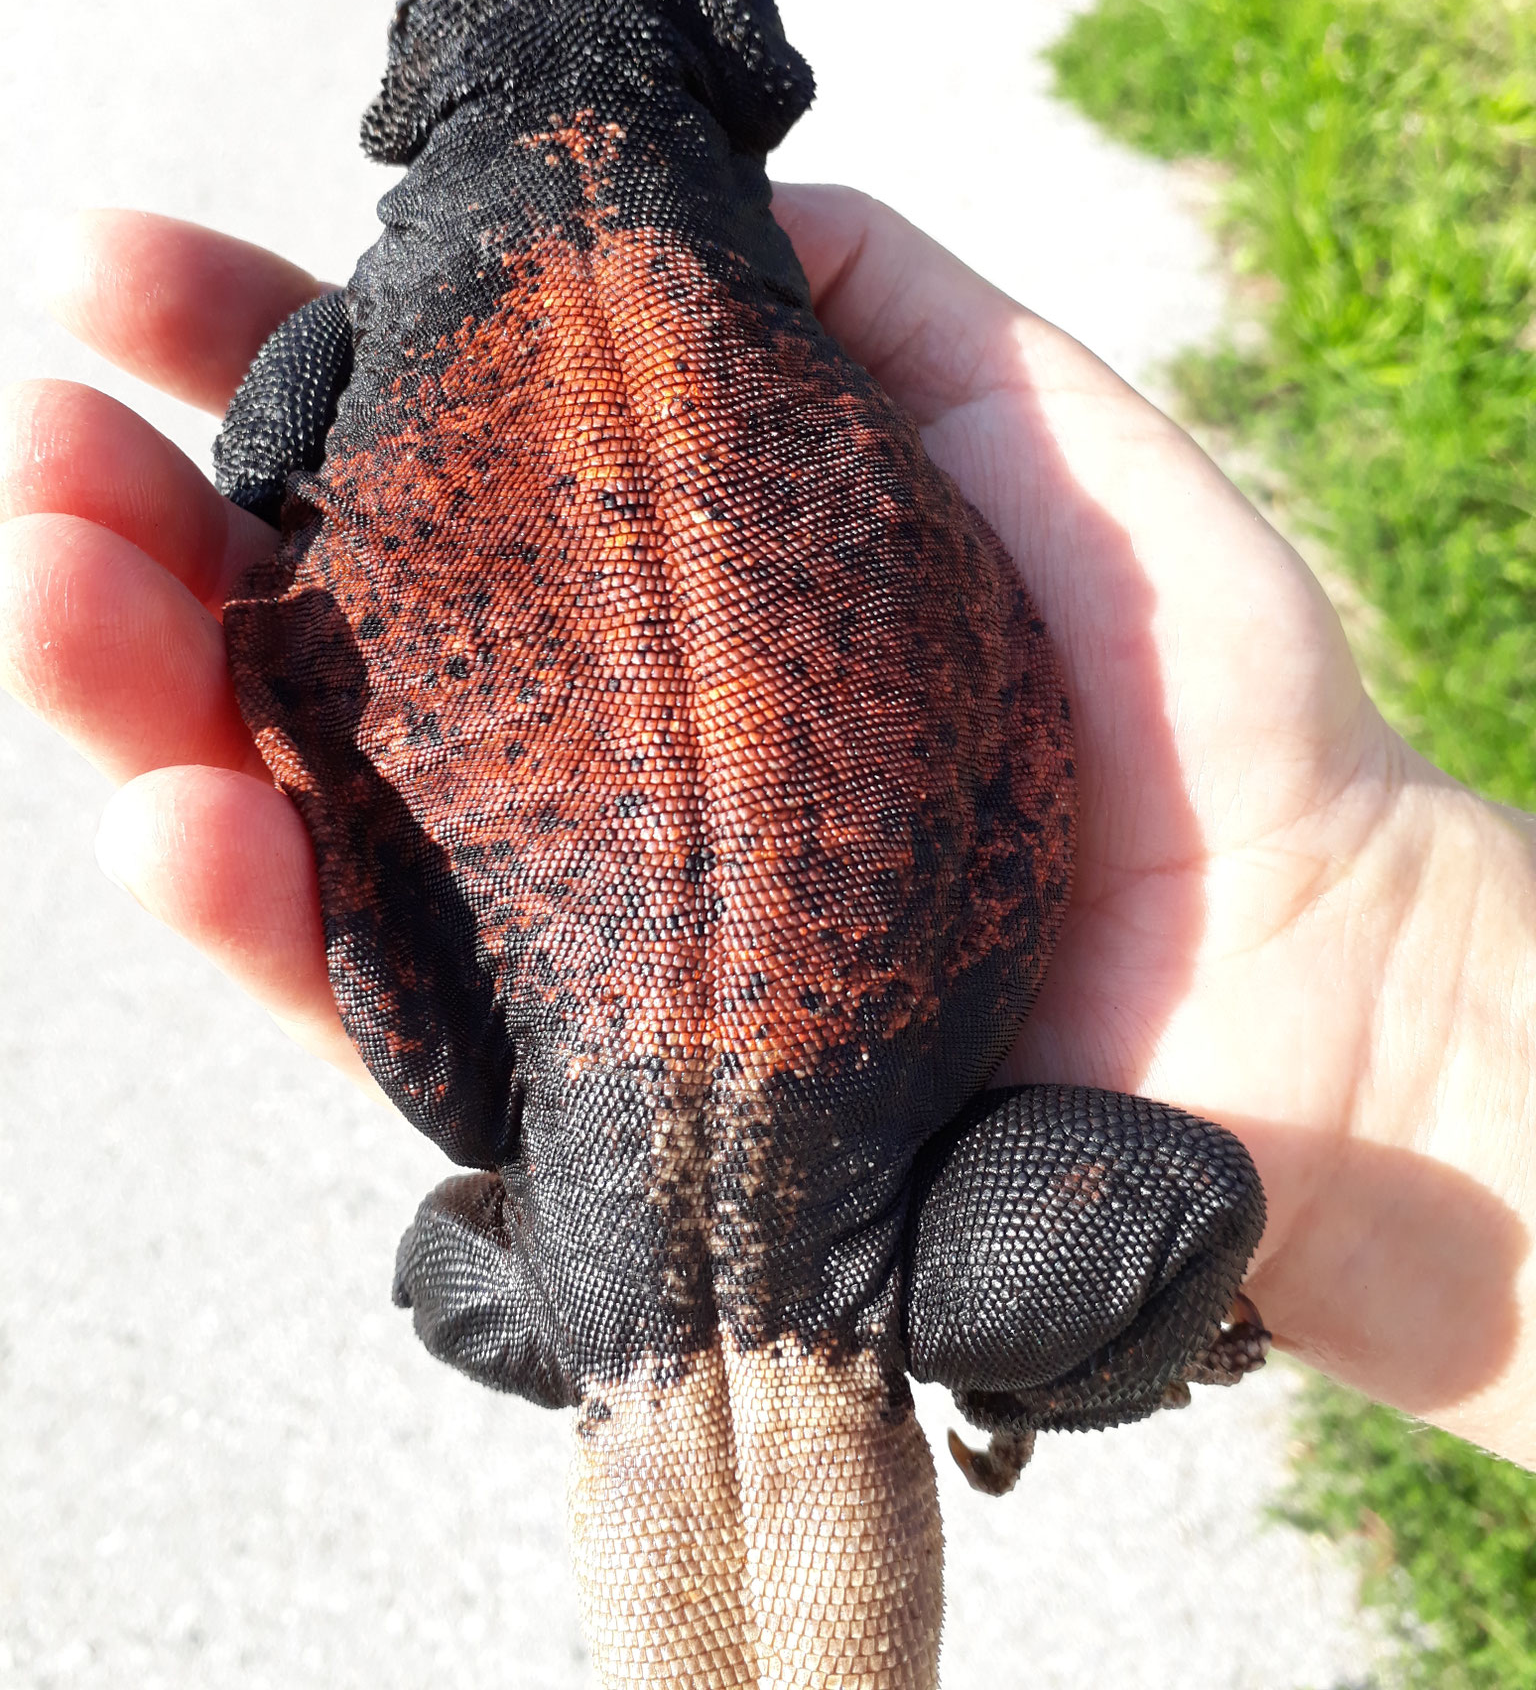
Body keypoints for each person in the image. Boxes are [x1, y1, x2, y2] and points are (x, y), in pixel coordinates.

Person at [3, 189, 1533, 1471]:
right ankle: (1015, 1363)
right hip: (912, 1220)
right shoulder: (748, 249)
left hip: (604, 1261)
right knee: (1184, 1215)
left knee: (443, 1270)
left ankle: (679, 1345)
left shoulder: (364, 317)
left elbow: (264, 463)